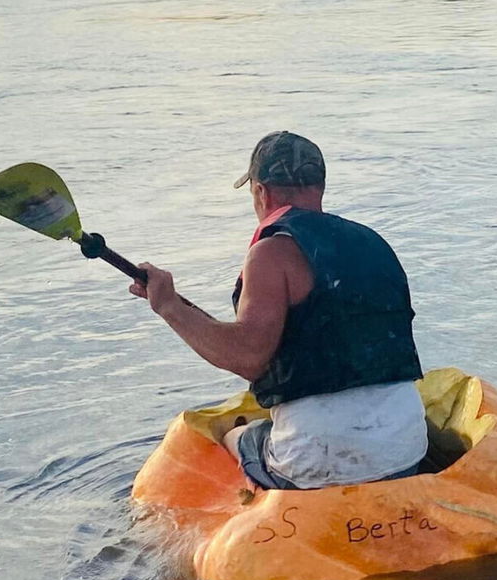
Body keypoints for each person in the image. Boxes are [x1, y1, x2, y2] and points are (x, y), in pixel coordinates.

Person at [128, 131, 426, 490]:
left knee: (237, 437)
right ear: (319, 187)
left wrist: (168, 306)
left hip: (318, 460)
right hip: (405, 450)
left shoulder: (271, 253)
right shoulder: (375, 242)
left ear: (261, 192)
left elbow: (249, 357)